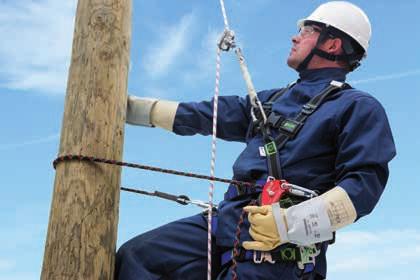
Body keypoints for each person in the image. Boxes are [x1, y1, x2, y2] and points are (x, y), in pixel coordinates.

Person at [115, 1, 396, 279]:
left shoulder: (357, 107)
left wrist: (289, 224)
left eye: (308, 30)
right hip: (226, 225)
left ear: (332, 44)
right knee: (138, 258)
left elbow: (364, 185)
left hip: (278, 253)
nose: (295, 36)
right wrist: (126, 109)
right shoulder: (272, 101)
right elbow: (208, 114)